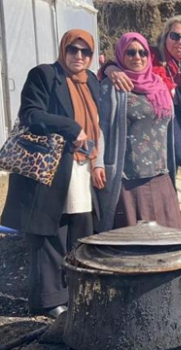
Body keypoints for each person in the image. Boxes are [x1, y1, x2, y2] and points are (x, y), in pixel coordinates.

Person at [1, 29, 104, 318]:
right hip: (52, 170)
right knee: (51, 232)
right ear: (64, 50)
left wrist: (97, 163)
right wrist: (71, 127)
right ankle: (48, 300)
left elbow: (99, 122)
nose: (79, 56)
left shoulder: (92, 82)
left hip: (82, 166)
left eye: (86, 52)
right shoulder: (45, 75)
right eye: (73, 50)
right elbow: (31, 114)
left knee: (81, 229)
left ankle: (75, 293)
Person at [96, 32, 181, 231]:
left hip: (160, 176)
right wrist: (98, 164)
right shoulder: (111, 87)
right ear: (121, 54)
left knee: (167, 238)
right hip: (129, 181)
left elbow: (170, 122)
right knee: (132, 242)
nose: (137, 57)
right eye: (130, 52)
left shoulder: (159, 85)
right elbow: (100, 128)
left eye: (142, 52)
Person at [103, 15, 181, 174]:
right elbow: (126, 59)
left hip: (177, 132)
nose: (180, 42)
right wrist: (109, 67)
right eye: (175, 36)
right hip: (149, 140)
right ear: (165, 35)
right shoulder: (150, 56)